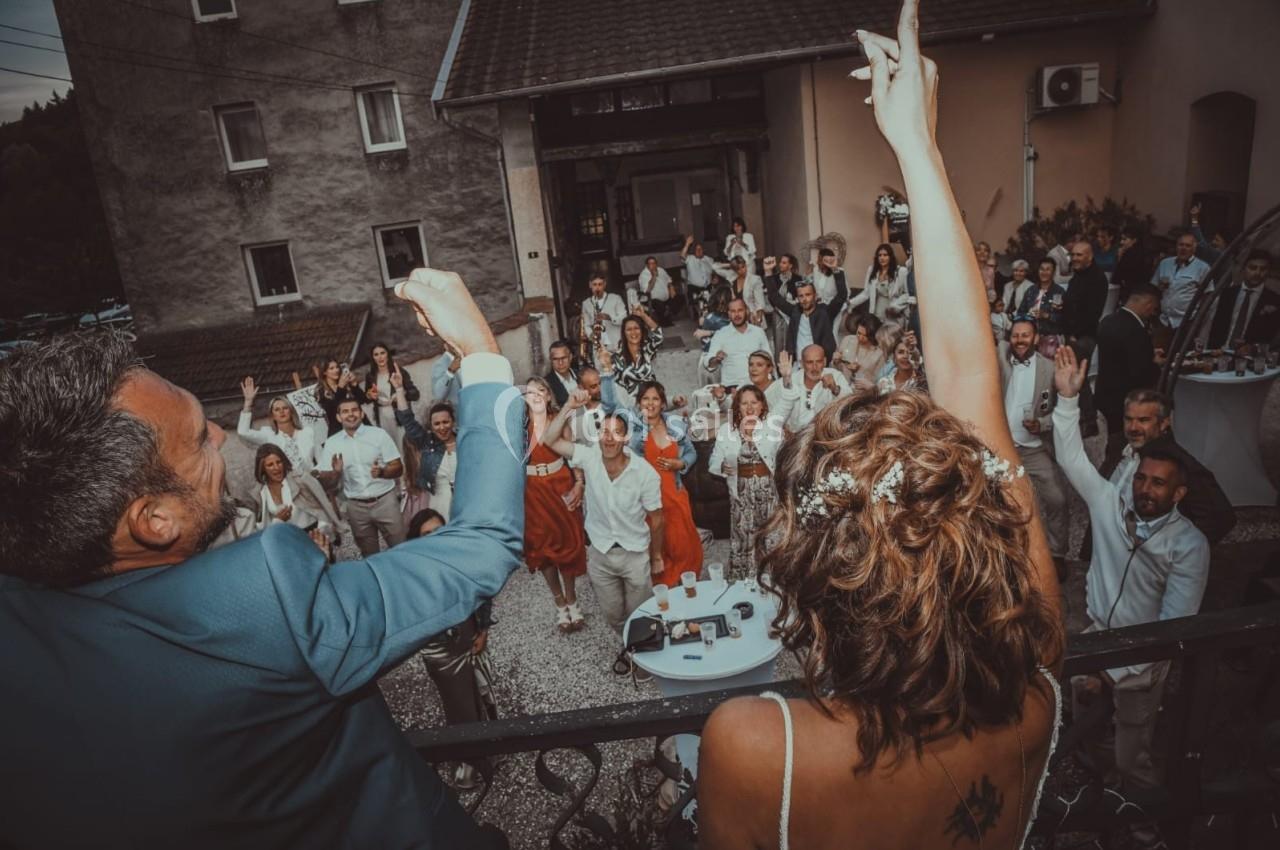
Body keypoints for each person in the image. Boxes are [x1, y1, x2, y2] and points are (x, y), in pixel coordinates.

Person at [699, 8, 1063, 848]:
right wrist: (918, 148)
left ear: (817, 578)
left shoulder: (759, 748)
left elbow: (973, 398)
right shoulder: (1033, 684)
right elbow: (974, 388)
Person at [0, 268, 522, 848]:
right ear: (154, 522)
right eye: (200, 438)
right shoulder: (263, 606)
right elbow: (480, 543)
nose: (223, 437)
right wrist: (479, 354)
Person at [1052, 347, 1209, 848]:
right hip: (1098, 637)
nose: (1144, 488)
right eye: (1141, 478)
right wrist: (1068, 402)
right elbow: (1072, 457)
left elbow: (1174, 628)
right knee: (1086, 732)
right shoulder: (1108, 505)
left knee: (1132, 758)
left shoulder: (1188, 545)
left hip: (1141, 664)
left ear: (1178, 494)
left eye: (1158, 484)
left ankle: (1143, 833)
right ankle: (1104, 810)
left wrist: (1117, 670)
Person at [541, 394, 665, 636]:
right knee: (613, 615)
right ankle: (629, 647)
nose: (609, 439)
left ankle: (643, 653)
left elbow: (657, 519)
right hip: (600, 555)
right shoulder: (588, 458)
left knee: (641, 613)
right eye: (605, 432)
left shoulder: (645, 473)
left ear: (626, 438)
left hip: (635, 554)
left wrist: (657, 556)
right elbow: (549, 439)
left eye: (617, 432)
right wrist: (568, 405)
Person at [406, 508, 498, 792]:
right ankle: (465, 764)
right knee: (458, 704)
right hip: (440, 648)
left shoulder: (462, 555)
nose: (435, 536)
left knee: (480, 691)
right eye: (427, 533)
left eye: (439, 529)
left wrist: (483, 630)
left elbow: (483, 593)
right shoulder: (412, 568)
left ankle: (488, 745)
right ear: (416, 538)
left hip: (469, 634)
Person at [1109, 389, 1236, 545]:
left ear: (1164, 423)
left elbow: (1221, 518)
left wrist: (1173, 553)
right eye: (1129, 419)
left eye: (1143, 420)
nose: (1133, 427)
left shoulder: (1177, 462)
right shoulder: (1123, 449)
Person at [708, 363, 799, 578]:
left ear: (762, 406)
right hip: (741, 496)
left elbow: (788, 399)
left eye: (754, 403)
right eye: (744, 403)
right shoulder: (726, 431)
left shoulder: (771, 425)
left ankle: (774, 585)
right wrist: (721, 467)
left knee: (772, 542)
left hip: (769, 493)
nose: (749, 407)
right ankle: (745, 586)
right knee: (744, 543)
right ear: (737, 407)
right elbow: (713, 462)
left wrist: (786, 378)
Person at [999, 318, 1069, 575]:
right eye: (1016, 335)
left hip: (1033, 447)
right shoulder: (1001, 361)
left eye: (1025, 335)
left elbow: (1063, 410)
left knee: (1057, 499)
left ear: (1036, 338)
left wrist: (1042, 424)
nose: (1020, 340)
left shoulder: (1050, 370)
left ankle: (1057, 553)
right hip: (1001, 446)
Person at [522, 376, 588, 632]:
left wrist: (579, 483)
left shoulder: (559, 421)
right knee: (541, 547)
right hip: (533, 491)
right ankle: (559, 603)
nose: (536, 396)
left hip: (560, 485)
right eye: (530, 392)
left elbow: (573, 456)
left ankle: (572, 599)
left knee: (567, 543)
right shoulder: (519, 425)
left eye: (540, 391)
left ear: (549, 395)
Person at [315, 397, 406, 556]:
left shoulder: (379, 435)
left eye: (354, 410)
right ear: (338, 417)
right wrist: (336, 473)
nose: (350, 414)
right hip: (356, 507)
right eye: (345, 411)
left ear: (362, 413)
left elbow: (398, 468)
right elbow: (327, 484)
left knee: (402, 549)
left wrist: (383, 473)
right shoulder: (332, 443)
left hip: (385, 501)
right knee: (369, 555)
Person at [1095, 285, 1164, 472]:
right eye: (1154, 308)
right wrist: (1155, 364)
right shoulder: (1135, 329)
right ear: (1148, 303)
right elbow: (1140, 372)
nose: (1152, 313)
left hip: (1106, 394)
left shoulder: (1108, 321)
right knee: (1123, 446)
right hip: (1125, 398)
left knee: (1114, 439)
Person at [395, 362, 458, 519]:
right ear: (431, 425)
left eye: (446, 422)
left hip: (467, 498)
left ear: (453, 422)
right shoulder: (427, 442)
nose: (442, 427)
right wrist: (398, 389)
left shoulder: (465, 441)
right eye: (437, 423)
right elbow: (407, 420)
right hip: (440, 500)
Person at [249, 444, 341, 546]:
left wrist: (329, 527)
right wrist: (278, 520)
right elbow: (262, 526)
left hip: (315, 533)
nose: (276, 467)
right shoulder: (261, 492)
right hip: (289, 540)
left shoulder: (300, 479)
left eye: (279, 462)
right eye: (270, 465)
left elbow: (323, 500)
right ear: (262, 468)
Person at [765, 257, 850, 361]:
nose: (804, 299)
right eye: (801, 296)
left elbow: (841, 295)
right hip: (798, 365)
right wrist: (768, 271)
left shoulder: (824, 312)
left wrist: (835, 269)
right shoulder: (794, 312)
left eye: (808, 295)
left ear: (815, 296)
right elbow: (775, 297)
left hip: (819, 364)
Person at [237, 376, 319, 473]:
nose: (281, 412)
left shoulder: (308, 432)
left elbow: (322, 461)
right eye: (277, 409)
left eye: (285, 408)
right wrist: (248, 403)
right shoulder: (269, 436)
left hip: (312, 482)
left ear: (291, 412)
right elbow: (243, 432)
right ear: (273, 416)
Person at [1206, 249, 1278, 350]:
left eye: (1263, 269)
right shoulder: (1227, 294)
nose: (1257, 273)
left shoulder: (1274, 300)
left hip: (1250, 358)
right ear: (1244, 268)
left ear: (1268, 271)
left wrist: (1253, 348)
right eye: (1252, 268)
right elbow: (1215, 328)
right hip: (1221, 352)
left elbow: (1272, 337)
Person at [702, 297, 773, 389]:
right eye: (733, 311)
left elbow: (769, 359)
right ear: (729, 314)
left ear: (746, 311)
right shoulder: (721, 335)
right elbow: (708, 363)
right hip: (732, 386)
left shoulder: (758, 332)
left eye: (740, 310)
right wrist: (716, 358)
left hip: (757, 385)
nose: (737, 314)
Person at [1153, 230, 1212, 330]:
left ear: (1194, 249)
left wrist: (1198, 318)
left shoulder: (1203, 267)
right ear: (1176, 246)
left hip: (1186, 323)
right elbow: (1154, 287)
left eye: (1188, 246)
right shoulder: (1165, 263)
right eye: (1181, 245)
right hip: (1163, 320)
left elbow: (1208, 294)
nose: (1183, 248)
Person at [786, 343, 852, 432]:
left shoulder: (836, 376)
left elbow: (851, 404)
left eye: (819, 361)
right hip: (795, 436)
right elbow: (770, 404)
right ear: (802, 363)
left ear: (824, 361)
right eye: (809, 362)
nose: (814, 367)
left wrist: (834, 388)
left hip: (825, 436)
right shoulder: (791, 380)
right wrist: (783, 428)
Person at [363, 342, 417, 445]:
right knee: (389, 447)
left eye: (382, 353)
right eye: (376, 354)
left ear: (388, 354)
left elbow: (415, 394)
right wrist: (369, 395)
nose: (380, 357)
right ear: (373, 357)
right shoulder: (370, 376)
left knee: (405, 446)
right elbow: (367, 396)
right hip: (382, 417)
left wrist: (401, 394)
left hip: (399, 416)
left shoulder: (398, 372)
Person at [848, 242, 911, 323]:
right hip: (877, 313)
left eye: (885, 255)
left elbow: (907, 294)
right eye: (880, 255)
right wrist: (850, 303)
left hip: (894, 313)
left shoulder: (901, 272)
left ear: (890, 257)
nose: (882, 258)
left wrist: (895, 306)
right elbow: (865, 294)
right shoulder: (872, 270)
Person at [1018, 258, 1069, 357]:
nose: (1044, 272)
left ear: (1053, 272)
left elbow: (1065, 319)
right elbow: (1021, 312)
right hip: (1030, 337)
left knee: (1048, 369)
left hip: (1050, 339)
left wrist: (1046, 315)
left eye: (1047, 269)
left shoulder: (1059, 292)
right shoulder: (1031, 290)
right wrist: (1027, 316)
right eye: (1041, 269)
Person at [1064, 240, 1110, 343]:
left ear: (1090, 257)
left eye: (1079, 255)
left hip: (1083, 336)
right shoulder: (1079, 273)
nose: (1074, 258)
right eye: (1073, 255)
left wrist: (1076, 335)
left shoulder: (1097, 278)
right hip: (1070, 332)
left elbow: (1093, 313)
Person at [614, 307, 664, 397]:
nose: (633, 332)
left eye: (636, 328)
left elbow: (658, 335)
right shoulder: (617, 357)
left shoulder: (646, 350)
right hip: (631, 404)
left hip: (651, 398)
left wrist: (643, 315)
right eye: (629, 329)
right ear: (624, 333)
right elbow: (616, 387)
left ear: (641, 331)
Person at [313, 357, 368, 436]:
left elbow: (362, 400)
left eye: (337, 367)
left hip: (359, 425)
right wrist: (341, 389)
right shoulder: (320, 391)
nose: (336, 370)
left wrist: (354, 385)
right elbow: (333, 411)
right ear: (324, 372)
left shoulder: (346, 383)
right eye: (331, 368)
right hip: (339, 430)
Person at [833, 312, 886, 391]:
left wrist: (860, 373)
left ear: (873, 336)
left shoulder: (879, 353)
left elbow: (878, 381)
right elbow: (836, 369)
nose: (860, 338)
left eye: (865, 336)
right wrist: (836, 361)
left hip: (862, 393)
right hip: (841, 388)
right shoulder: (847, 340)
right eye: (859, 333)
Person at [714, 255, 771, 325]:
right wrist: (730, 265)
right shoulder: (732, 277)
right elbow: (715, 267)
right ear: (734, 270)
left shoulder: (755, 279)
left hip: (752, 319)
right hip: (736, 319)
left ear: (746, 265)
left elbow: (760, 304)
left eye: (743, 266)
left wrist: (758, 320)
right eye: (738, 268)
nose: (742, 270)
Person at [581, 273, 628, 351]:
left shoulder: (616, 298)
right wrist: (591, 335)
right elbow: (586, 325)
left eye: (600, 284)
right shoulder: (586, 303)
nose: (597, 288)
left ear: (604, 285)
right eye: (594, 284)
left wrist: (609, 317)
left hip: (616, 342)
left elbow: (625, 319)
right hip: (598, 344)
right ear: (590, 285)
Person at [876, 330, 927, 395]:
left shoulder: (919, 383)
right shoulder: (883, 382)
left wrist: (913, 349)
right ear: (894, 357)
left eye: (909, 353)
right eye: (901, 352)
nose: (905, 356)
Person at [1112, 225, 1152, 304]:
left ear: (1134, 240)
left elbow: (1117, 276)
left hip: (1129, 295)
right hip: (1140, 295)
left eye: (1124, 239)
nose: (1121, 242)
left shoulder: (1129, 254)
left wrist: (1120, 257)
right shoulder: (1145, 254)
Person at [681, 235, 717, 312]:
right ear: (694, 251)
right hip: (694, 288)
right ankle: (701, 313)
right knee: (699, 302)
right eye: (697, 249)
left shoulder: (709, 259)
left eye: (700, 249)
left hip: (708, 287)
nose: (699, 250)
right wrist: (687, 244)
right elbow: (682, 255)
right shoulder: (690, 258)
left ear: (703, 250)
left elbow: (715, 271)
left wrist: (714, 278)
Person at [636, 256, 675, 325]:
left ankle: (667, 312)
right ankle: (665, 320)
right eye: (650, 264)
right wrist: (653, 277)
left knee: (680, 298)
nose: (653, 265)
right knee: (659, 305)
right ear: (647, 265)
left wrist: (671, 287)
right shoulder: (643, 275)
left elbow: (668, 280)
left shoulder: (661, 270)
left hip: (665, 298)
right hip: (650, 299)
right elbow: (647, 290)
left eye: (654, 263)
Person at [545, 339, 579, 407]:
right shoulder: (546, 383)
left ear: (570, 357)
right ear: (551, 360)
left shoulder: (581, 374)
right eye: (556, 359)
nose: (560, 363)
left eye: (563, 358)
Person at [431, 344, 463, 408]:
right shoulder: (439, 364)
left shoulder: (467, 358)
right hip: (456, 413)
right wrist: (450, 372)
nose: (456, 345)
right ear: (446, 346)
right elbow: (439, 395)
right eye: (453, 343)